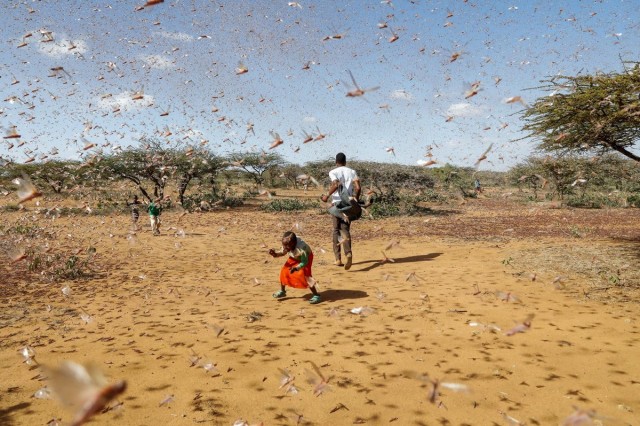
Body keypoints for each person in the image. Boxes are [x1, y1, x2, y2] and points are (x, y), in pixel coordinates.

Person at [320, 152, 361, 271]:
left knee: (336, 230)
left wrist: (327, 196)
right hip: (348, 204)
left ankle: (338, 259)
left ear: (336, 162)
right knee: (345, 229)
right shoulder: (352, 171)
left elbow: (335, 184)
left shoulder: (333, 172)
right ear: (345, 161)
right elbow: (358, 188)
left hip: (336, 204)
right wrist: (356, 199)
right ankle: (348, 253)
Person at [269, 231, 321, 304]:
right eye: (284, 245)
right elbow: (282, 252)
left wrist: (296, 268)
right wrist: (275, 254)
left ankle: (316, 295)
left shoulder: (302, 248)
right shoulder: (287, 244)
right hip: (294, 257)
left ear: (293, 244)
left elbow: (304, 262)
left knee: (307, 276)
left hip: (306, 258)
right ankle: (282, 291)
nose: (285, 248)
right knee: (284, 271)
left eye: (287, 246)